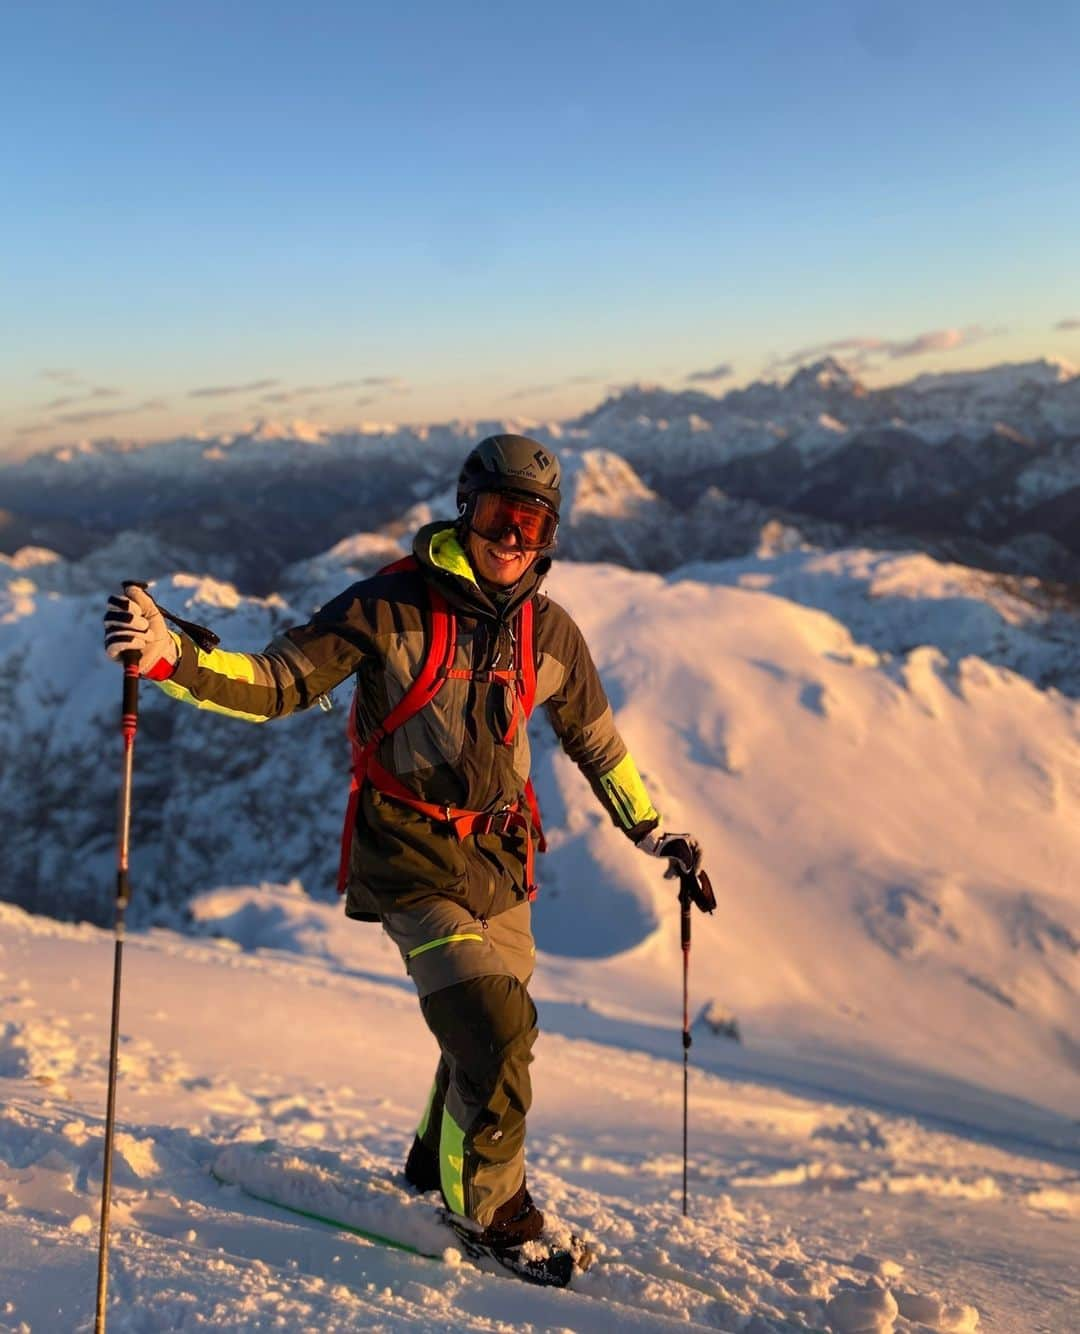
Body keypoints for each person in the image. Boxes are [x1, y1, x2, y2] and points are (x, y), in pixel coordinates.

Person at [103, 433, 707, 1284]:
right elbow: (279, 681)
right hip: (409, 858)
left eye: (531, 525)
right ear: (467, 509)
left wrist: (654, 832)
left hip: (500, 860)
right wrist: (175, 660)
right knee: (500, 1035)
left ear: (550, 537)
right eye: (500, 515)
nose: (511, 540)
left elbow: (596, 743)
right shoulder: (387, 606)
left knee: (487, 1026)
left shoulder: (551, 633)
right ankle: (491, 1214)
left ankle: (434, 1163)